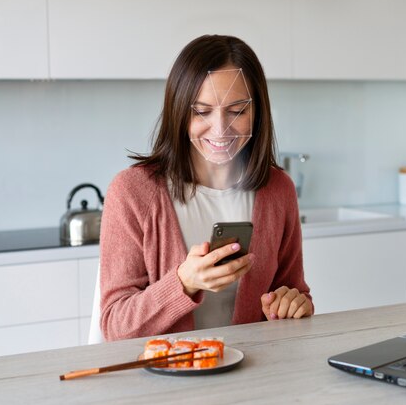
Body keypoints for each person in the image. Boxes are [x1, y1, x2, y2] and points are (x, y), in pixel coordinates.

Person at [99, 34, 313, 341]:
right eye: (201, 111)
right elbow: (115, 326)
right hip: (166, 381)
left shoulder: (278, 190)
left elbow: (295, 296)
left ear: (258, 113)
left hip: (255, 376)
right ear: (179, 111)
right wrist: (183, 282)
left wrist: (293, 306)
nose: (220, 128)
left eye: (237, 111)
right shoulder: (132, 192)